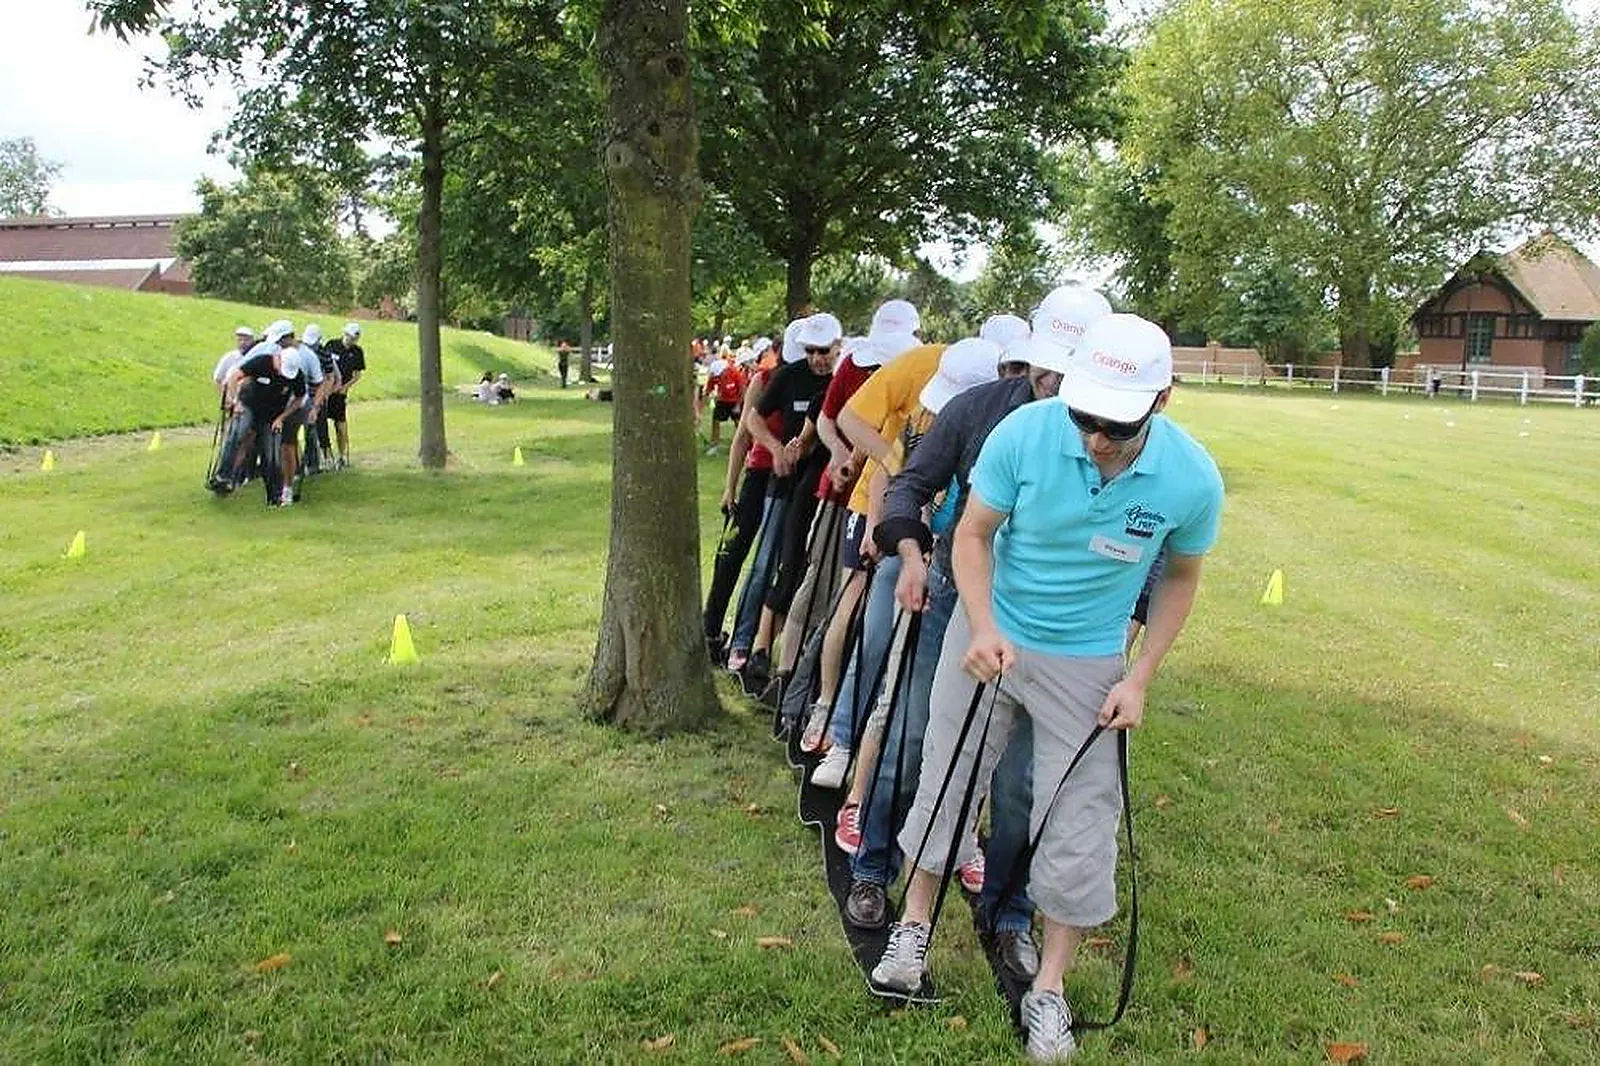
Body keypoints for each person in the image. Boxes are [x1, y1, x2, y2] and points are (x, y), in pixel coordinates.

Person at [871, 314, 1225, 1064]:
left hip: (1090, 661)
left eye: (1116, 424)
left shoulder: (1191, 478)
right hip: (991, 630)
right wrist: (981, 621)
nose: (1096, 436)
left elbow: (1181, 579)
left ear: (1162, 400)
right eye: (1085, 415)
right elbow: (970, 534)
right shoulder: (1025, 434)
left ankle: (1051, 991)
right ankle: (913, 929)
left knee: (1084, 821)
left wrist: (1140, 677)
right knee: (948, 781)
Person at [727, 312, 840, 684]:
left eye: (824, 351)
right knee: (767, 564)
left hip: (823, 489)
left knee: (802, 568)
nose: (817, 359)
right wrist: (776, 449)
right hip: (786, 482)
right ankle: (748, 646)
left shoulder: (844, 381)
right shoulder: (788, 376)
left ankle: (781, 651)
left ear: (838, 348)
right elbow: (753, 421)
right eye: (810, 351)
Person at [221, 320, 305, 506]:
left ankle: (274, 497)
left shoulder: (297, 375)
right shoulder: (262, 361)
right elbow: (234, 377)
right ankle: (223, 476)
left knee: (271, 455)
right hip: (249, 406)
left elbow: (300, 398)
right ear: (279, 359)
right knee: (238, 434)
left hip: (272, 416)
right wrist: (235, 402)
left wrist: (282, 418)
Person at [323, 322, 366, 468]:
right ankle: (326, 456)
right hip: (326, 391)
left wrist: (345, 387)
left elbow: (357, 375)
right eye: (349, 336)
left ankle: (342, 455)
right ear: (344, 334)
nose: (351, 340)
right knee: (322, 424)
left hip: (340, 393)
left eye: (354, 338)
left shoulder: (357, 352)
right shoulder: (331, 345)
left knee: (340, 425)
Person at [703, 355, 748, 454]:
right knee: (715, 421)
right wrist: (701, 404)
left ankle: (744, 446)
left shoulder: (735, 373)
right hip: (722, 400)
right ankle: (714, 445)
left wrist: (737, 406)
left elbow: (743, 391)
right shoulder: (715, 375)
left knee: (739, 424)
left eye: (720, 375)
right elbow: (708, 389)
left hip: (735, 400)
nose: (718, 377)